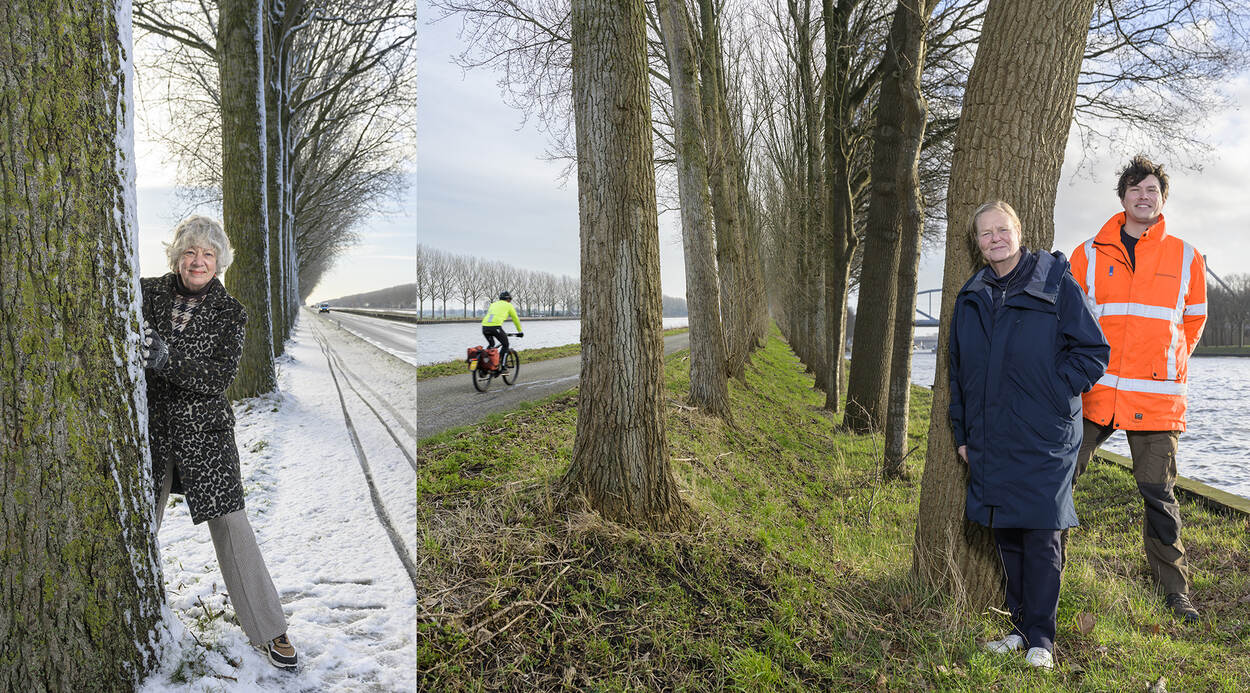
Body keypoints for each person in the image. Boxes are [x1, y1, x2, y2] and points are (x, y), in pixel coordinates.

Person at [949, 201, 1109, 670]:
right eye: (985, 234)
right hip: (992, 436)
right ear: (976, 244)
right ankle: (1019, 631)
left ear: (1019, 233)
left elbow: (1093, 350)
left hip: (1045, 435)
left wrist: (1055, 390)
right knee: (1008, 534)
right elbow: (959, 374)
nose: (995, 239)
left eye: (1003, 230)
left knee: (1042, 535)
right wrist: (963, 434)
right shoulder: (971, 295)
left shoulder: (1055, 283)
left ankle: (1042, 638)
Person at [140, 216, 298, 671]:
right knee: (136, 525)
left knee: (233, 527)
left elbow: (219, 377)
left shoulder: (232, 313)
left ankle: (269, 627)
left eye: (208, 255)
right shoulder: (146, 292)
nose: (198, 261)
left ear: (220, 262)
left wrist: (167, 358)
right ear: (176, 256)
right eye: (190, 252)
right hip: (149, 433)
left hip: (205, 437)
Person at [1068, 156, 1207, 622]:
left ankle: (1174, 591)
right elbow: (1071, 320)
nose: (1144, 196)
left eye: (1153, 190)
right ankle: (1048, 569)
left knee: (1158, 496)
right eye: (1136, 188)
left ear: (1162, 199)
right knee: (1058, 480)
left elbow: (1192, 324)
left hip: (1155, 397)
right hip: (1093, 392)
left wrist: (1163, 363)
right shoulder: (1086, 253)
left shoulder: (1187, 256)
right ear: (1122, 195)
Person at [481, 290, 523, 370]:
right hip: (495, 327)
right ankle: (502, 366)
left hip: (484, 327)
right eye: (510, 300)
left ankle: (487, 363)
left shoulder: (493, 304)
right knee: (505, 344)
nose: (510, 301)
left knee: (491, 344)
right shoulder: (509, 305)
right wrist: (520, 331)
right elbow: (515, 319)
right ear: (508, 299)